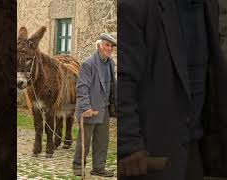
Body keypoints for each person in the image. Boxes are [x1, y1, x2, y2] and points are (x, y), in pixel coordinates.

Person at [118, 0, 227, 180]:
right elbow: (123, 79)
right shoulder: (135, 7)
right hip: (154, 151)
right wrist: (128, 145)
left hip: (195, 149)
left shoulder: (209, 5)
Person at [72, 33, 117, 177]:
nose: (110, 49)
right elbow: (82, 87)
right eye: (107, 45)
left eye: (111, 46)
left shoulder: (110, 63)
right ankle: (78, 166)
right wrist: (86, 108)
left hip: (104, 108)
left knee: (102, 141)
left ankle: (98, 167)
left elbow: (111, 86)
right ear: (99, 46)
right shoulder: (88, 64)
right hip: (90, 109)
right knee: (84, 141)